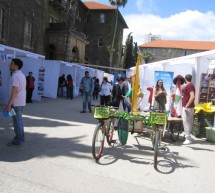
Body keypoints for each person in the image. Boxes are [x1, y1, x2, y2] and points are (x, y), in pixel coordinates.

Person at [5, 58, 26, 146]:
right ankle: (20, 138)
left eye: (12, 63)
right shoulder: (21, 75)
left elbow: (15, 91)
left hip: (16, 102)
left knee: (17, 121)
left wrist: (9, 104)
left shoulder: (16, 76)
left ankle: (19, 140)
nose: (10, 65)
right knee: (18, 121)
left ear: (16, 66)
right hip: (20, 102)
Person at [182, 74, 195, 145]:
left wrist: (187, 106)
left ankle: (188, 138)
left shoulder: (189, 85)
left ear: (185, 79)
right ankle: (188, 136)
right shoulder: (191, 85)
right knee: (189, 122)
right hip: (189, 107)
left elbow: (192, 96)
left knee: (186, 122)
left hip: (188, 107)